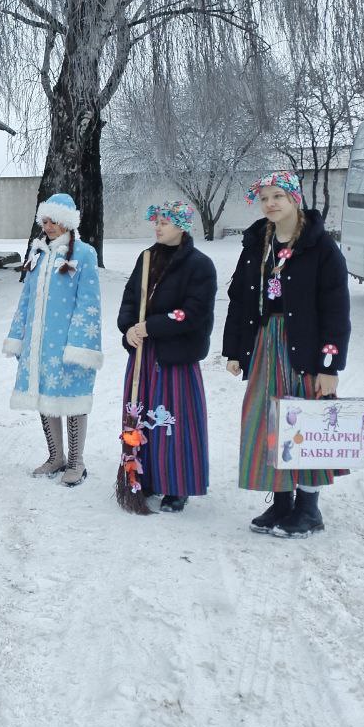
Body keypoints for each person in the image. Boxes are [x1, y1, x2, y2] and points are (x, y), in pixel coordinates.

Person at [222, 171, 351, 537]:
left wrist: (330, 365)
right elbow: (241, 300)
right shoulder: (256, 245)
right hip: (266, 343)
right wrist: (234, 350)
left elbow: (336, 310)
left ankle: (308, 510)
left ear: (294, 198)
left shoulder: (321, 248)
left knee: (304, 422)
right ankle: (281, 504)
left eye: (278, 196)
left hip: (305, 349)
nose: (271, 204)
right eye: (265, 198)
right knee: (267, 421)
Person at [116, 201, 215, 511]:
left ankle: (176, 484)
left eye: (165, 223)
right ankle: (142, 477)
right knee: (140, 417)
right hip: (143, 356)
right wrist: (129, 328)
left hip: (175, 357)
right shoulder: (146, 259)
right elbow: (130, 298)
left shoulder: (199, 265)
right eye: (156, 222)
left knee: (173, 421)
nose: (158, 227)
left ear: (182, 226)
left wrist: (152, 326)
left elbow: (194, 313)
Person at [3, 193, 103, 486]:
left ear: (67, 222)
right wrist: (17, 337)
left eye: (53, 221)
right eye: (44, 221)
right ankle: (55, 456)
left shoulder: (83, 254)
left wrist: (80, 346)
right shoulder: (38, 254)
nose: (48, 227)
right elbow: (25, 300)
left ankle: (76, 461)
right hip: (38, 345)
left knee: (71, 400)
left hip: (67, 346)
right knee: (44, 396)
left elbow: (89, 303)